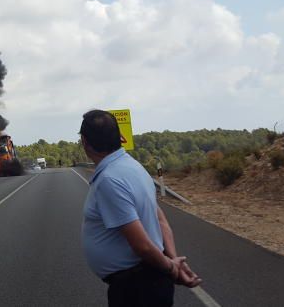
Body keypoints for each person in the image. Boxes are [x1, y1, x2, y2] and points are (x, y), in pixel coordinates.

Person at [79, 110, 201, 306]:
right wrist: (172, 260)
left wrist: (171, 268)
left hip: (136, 290)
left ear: (85, 142)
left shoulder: (109, 180)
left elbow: (142, 245)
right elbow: (160, 218)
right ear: (120, 137)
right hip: (149, 281)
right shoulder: (134, 166)